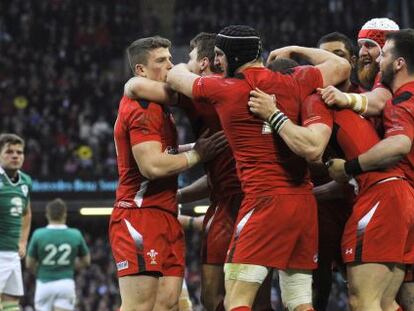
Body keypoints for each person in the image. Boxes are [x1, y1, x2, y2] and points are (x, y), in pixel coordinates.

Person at [167, 25, 350, 311]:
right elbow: (340, 66)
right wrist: (297, 50)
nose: (216, 62)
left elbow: (175, 76)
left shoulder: (224, 89)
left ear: (231, 57)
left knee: (237, 299)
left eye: (219, 55)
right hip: (303, 204)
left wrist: (189, 64)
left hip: (263, 202)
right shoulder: (295, 81)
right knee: (300, 301)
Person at [109, 36, 227, 311]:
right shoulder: (143, 107)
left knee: (168, 305)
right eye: (161, 61)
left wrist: (193, 147)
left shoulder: (160, 106)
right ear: (141, 70)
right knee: (139, 307)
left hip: (166, 215)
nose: (170, 65)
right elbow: (152, 166)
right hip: (139, 214)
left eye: (171, 59)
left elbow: (166, 150)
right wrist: (198, 154)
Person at [327, 28, 414, 311]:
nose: (378, 61)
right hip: (405, 202)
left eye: (384, 54)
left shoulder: (401, 102)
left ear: (399, 63)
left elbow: (399, 143)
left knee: (364, 300)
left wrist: (350, 166)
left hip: (392, 198)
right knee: (396, 301)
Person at [319, 17, 399, 117]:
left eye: (369, 45)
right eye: (361, 46)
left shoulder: (388, 76)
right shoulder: (365, 89)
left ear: (386, 49)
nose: (362, 52)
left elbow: (379, 102)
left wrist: (346, 99)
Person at [25, 198, 90, 311]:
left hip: (44, 284)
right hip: (66, 283)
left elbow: (29, 263)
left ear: (47, 214)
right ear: (64, 214)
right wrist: (69, 267)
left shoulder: (38, 234)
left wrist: (42, 271)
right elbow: (86, 261)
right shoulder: (75, 234)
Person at [0, 133, 32, 311]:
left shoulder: (26, 181)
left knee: (12, 301)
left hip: (12, 253)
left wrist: (23, 241)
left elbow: (26, 212)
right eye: (9, 152)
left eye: (19, 152)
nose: (15, 156)